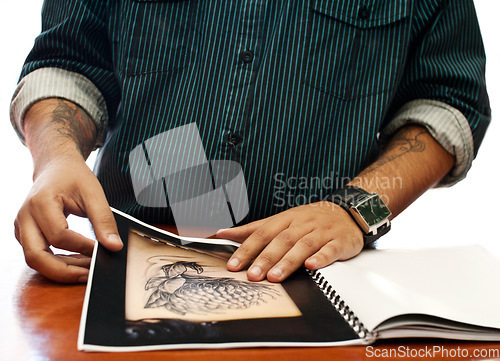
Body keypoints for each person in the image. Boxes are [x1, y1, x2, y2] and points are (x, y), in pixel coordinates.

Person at [10, 0, 490, 284]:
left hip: (320, 272)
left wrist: (354, 211)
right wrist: (54, 158)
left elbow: (447, 103)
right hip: (123, 264)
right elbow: (68, 60)